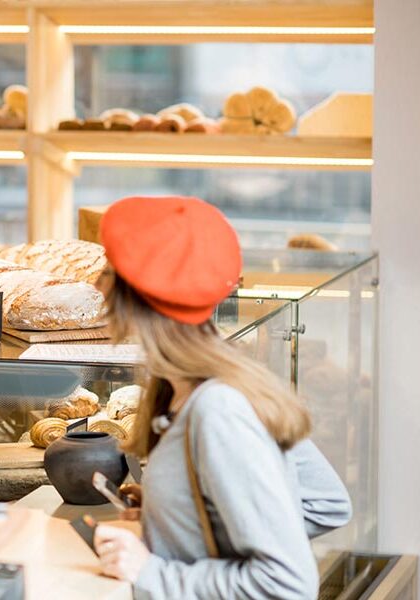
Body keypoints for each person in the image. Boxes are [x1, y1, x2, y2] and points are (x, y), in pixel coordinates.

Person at [90, 196, 351, 599]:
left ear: (137, 296)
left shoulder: (218, 410)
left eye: (108, 270)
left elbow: (287, 585)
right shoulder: (221, 381)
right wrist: (180, 521)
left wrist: (151, 571)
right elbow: (325, 502)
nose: (96, 283)